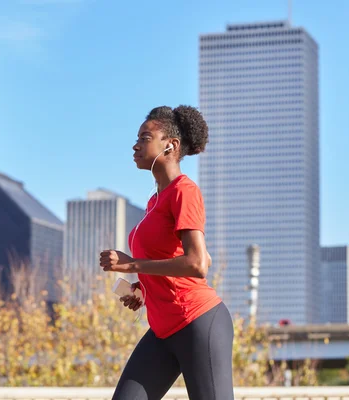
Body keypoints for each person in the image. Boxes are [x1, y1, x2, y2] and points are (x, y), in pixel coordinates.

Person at [99, 105, 234, 400]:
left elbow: (198, 264)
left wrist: (132, 264)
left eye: (145, 138)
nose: (136, 145)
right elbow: (180, 260)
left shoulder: (184, 191)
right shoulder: (155, 201)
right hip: (162, 330)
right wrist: (143, 288)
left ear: (169, 145)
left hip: (198, 322)